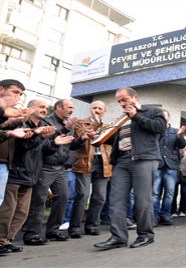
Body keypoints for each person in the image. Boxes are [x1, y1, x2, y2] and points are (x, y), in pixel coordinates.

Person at [94, 87, 166, 250]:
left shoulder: (152, 111)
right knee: (116, 200)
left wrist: (136, 115)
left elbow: (160, 128)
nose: (121, 103)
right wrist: (99, 137)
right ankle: (118, 237)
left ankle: (145, 235)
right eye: (118, 101)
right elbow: (117, 138)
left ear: (135, 97)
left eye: (123, 99)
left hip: (144, 158)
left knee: (142, 199)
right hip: (122, 161)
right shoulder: (121, 118)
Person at [0, 100, 74, 253]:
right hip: (16, 172)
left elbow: (44, 151)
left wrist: (54, 143)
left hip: (31, 174)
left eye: (47, 108)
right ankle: (2, 241)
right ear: (30, 108)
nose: (45, 110)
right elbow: (25, 145)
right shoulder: (20, 124)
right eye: (41, 107)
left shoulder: (41, 128)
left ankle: (7, 241)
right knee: (7, 211)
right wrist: (38, 135)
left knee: (21, 213)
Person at [23, 99, 86, 245]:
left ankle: (53, 230)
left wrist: (82, 138)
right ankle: (31, 233)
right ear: (59, 107)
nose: (72, 110)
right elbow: (47, 142)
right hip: (45, 166)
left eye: (73, 108)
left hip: (61, 167)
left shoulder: (67, 123)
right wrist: (66, 128)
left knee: (63, 197)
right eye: (69, 107)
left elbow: (70, 144)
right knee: (39, 199)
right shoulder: (46, 121)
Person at [68, 101, 112, 238]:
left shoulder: (108, 127)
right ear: (90, 109)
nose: (97, 110)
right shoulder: (81, 123)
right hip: (85, 161)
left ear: (104, 112)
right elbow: (79, 138)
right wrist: (95, 123)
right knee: (82, 195)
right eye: (94, 108)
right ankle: (74, 227)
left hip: (103, 162)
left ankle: (92, 225)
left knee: (99, 197)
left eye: (100, 108)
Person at [153, 110, 186, 226]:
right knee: (155, 192)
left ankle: (165, 215)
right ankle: (154, 216)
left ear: (169, 117)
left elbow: (182, 145)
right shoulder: (155, 131)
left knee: (170, 192)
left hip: (171, 165)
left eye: (164, 116)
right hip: (157, 164)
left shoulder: (175, 131)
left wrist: (179, 136)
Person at [0, 79, 28, 207]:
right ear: (1, 90)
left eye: (20, 94)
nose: (17, 97)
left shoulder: (12, 112)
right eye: (15, 92)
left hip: (4, 163)